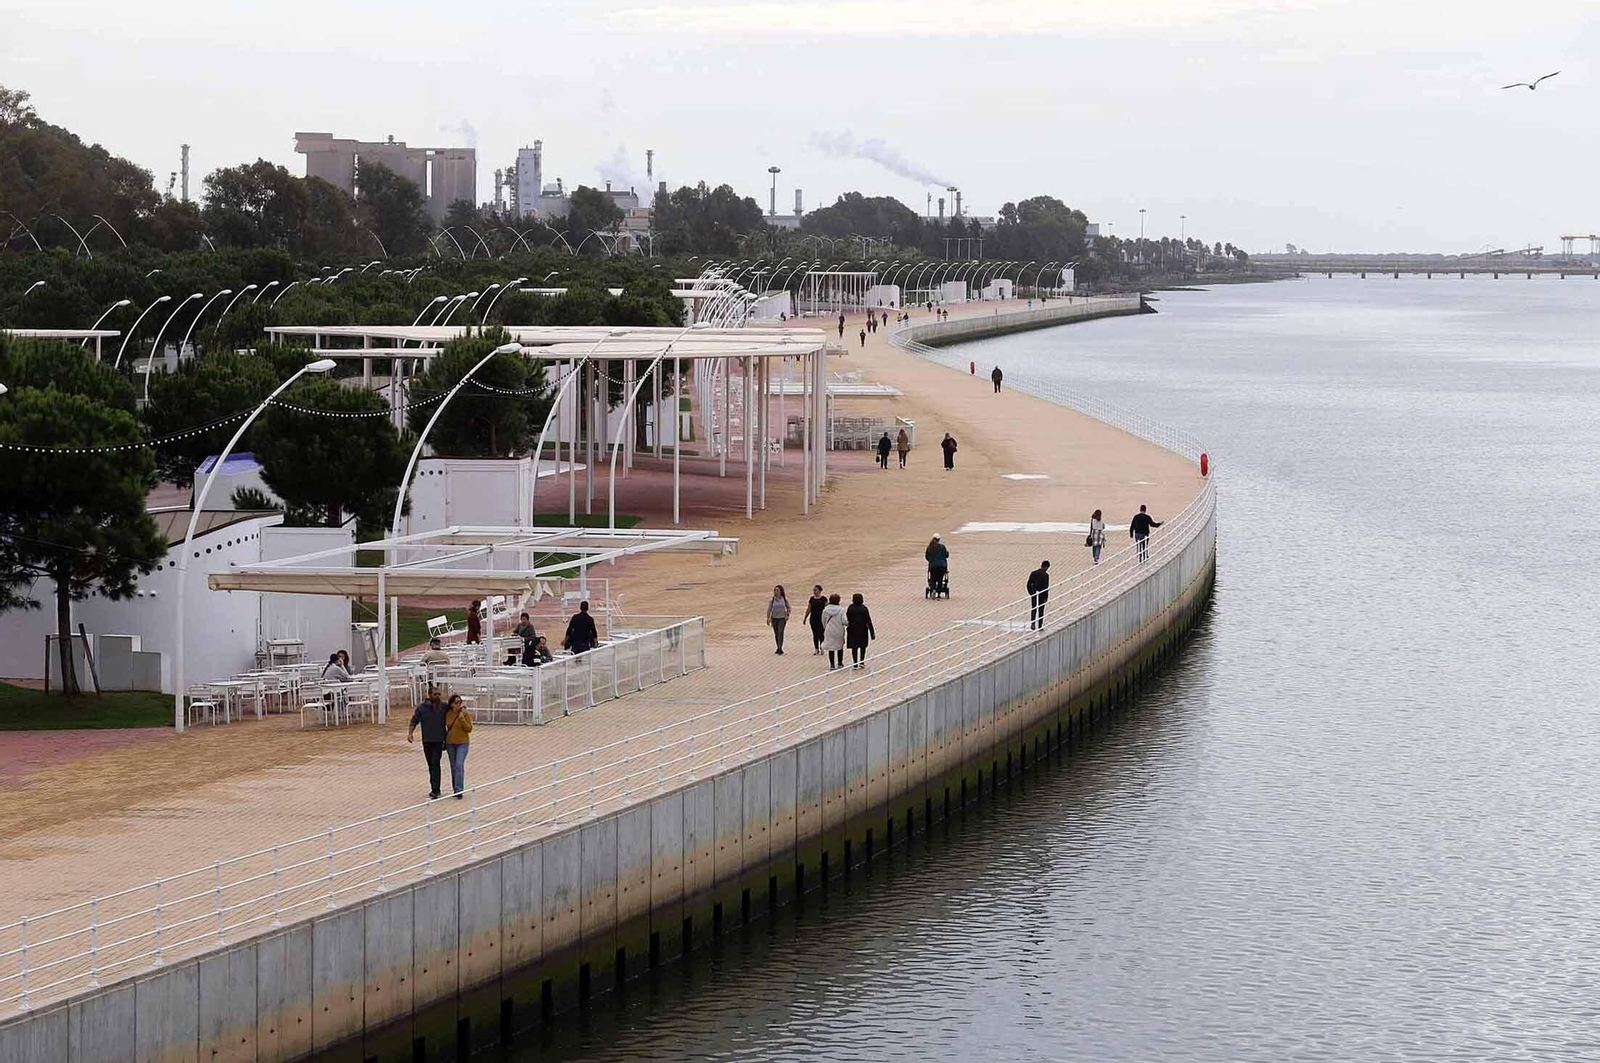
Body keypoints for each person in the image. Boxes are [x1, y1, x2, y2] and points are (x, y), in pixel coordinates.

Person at [406, 686, 449, 799]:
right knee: (431, 765)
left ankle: (435, 790)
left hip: (439, 740)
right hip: (427, 741)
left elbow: (454, 709)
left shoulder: (443, 707)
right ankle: (435, 788)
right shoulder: (422, 708)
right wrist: (410, 734)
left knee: (435, 763)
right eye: (435, 694)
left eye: (439, 694)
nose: (437, 696)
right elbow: (414, 721)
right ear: (429, 695)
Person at [443, 693, 473, 798]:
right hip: (450, 743)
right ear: (452, 704)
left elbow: (469, 729)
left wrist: (462, 718)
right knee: (453, 766)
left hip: (462, 743)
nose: (459, 704)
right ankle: (455, 788)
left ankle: (459, 790)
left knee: (459, 765)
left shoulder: (465, 714)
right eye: (456, 702)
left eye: (460, 702)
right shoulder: (447, 714)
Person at [845, 593, 875, 668]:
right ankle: (862, 661)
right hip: (863, 630)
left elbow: (846, 619)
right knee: (862, 646)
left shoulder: (850, 608)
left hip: (852, 630)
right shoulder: (864, 608)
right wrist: (872, 633)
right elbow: (869, 621)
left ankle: (855, 663)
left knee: (854, 647)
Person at [820, 593, 847, 670]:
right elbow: (844, 621)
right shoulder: (841, 610)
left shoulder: (825, 610)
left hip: (829, 630)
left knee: (831, 647)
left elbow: (823, 621)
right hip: (839, 630)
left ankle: (832, 665)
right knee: (839, 646)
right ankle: (840, 663)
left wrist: (826, 627)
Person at [1026, 560, 1051, 630]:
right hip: (1042, 594)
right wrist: (1046, 597)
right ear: (1046, 567)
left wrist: (1031, 593)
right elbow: (1046, 587)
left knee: (1034, 609)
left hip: (1034, 593)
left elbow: (1028, 584)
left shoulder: (1033, 573)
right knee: (1041, 610)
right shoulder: (1046, 575)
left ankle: (1033, 624)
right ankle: (1040, 626)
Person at [766, 585, 791, 654]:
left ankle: (780, 648)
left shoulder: (784, 599)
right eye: (774, 590)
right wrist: (768, 618)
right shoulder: (772, 600)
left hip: (782, 618)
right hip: (774, 618)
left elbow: (789, 608)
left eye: (777, 590)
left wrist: (787, 614)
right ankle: (778, 647)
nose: (775, 592)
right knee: (776, 633)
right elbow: (769, 609)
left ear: (780, 591)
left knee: (780, 632)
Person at [806, 585, 828, 655]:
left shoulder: (824, 599)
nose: (814, 592)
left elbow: (827, 609)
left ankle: (822, 647)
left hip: (821, 619)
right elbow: (809, 608)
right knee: (815, 634)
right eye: (814, 590)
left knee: (821, 634)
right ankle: (816, 649)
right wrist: (805, 617)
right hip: (813, 619)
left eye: (816, 590)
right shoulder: (812, 599)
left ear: (820, 591)